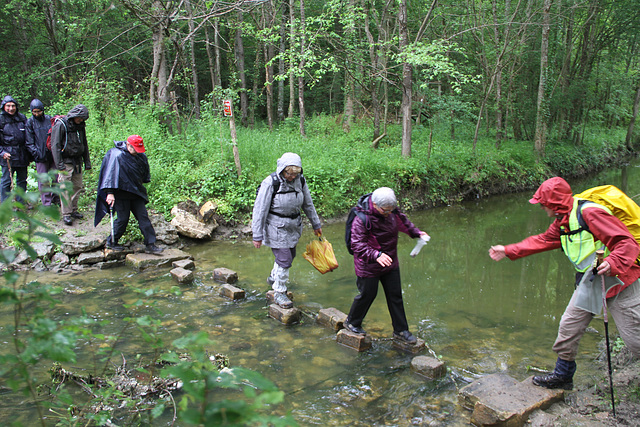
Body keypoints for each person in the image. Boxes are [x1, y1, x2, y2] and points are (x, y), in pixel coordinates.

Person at [489, 177, 640, 390]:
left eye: (543, 203)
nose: (541, 207)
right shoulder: (563, 221)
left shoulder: (590, 213)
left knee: (635, 338)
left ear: (554, 203)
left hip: (620, 280)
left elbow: (626, 242)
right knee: (568, 327)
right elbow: (542, 240)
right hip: (591, 280)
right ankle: (563, 376)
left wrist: (614, 262)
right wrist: (508, 250)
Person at [344, 187, 429, 344]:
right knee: (367, 295)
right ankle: (352, 322)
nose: (389, 213)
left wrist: (416, 233)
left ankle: (401, 331)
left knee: (395, 296)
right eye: (385, 211)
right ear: (375, 204)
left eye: (391, 210)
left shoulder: (392, 211)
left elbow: (403, 222)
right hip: (368, 264)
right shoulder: (361, 218)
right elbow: (357, 245)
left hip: (389, 261)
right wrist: (376, 255)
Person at [252, 152, 322, 308]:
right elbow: (259, 210)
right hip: (275, 227)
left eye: (295, 173)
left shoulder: (300, 181)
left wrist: (316, 224)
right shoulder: (270, 183)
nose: (291, 177)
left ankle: (273, 277)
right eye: (288, 173)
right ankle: (279, 292)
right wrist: (257, 235)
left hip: (293, 226)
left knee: (290, 255)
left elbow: (308, 204)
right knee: (284, 259)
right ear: (282, 169)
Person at [94, 135, 163, 254]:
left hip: (136, 193)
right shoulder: (117, 155)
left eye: (138, 149)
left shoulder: (141, 156)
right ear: (128, 145)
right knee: (122, 219)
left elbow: (144, 173)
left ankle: (150, 244)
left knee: (144, 218)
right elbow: (110, 175)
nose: (136, 152)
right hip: (121, 194)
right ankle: (111, 242)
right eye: (135, 149)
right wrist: (110, 193)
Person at [51, 104, 91, 226]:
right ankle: (66, 214)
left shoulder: (80, 126)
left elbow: (84, 143)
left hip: (77, 160)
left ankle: (73, 210)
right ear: (75, 115)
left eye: (83, 119)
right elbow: (55, 146)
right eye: (80, 118)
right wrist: (59, 165)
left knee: (77, 186)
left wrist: (87, 161)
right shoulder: (61, 125)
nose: (81, 120)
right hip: (65, 162)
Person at [25, 99, 59, 206]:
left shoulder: (49, 119)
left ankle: (56, 198)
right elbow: (29, 142)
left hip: (52, 154)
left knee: (56, 178)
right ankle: (47, 202)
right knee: (43, 181)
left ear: (42, 110)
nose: (37, 114)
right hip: (40, 156)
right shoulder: (30, 122)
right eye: (34, 112)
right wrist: (36, 154)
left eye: (38, 111)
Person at [0, 96, 29, 204]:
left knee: (22, 180)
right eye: (8, 106)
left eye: (13, 106)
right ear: (4, 107)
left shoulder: (22, 118)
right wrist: (2, 152)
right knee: (6, 181)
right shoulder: (1, 119)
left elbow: (28, 136)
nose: (11, 108)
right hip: (7, 155)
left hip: (22, 154)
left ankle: (21, 203)